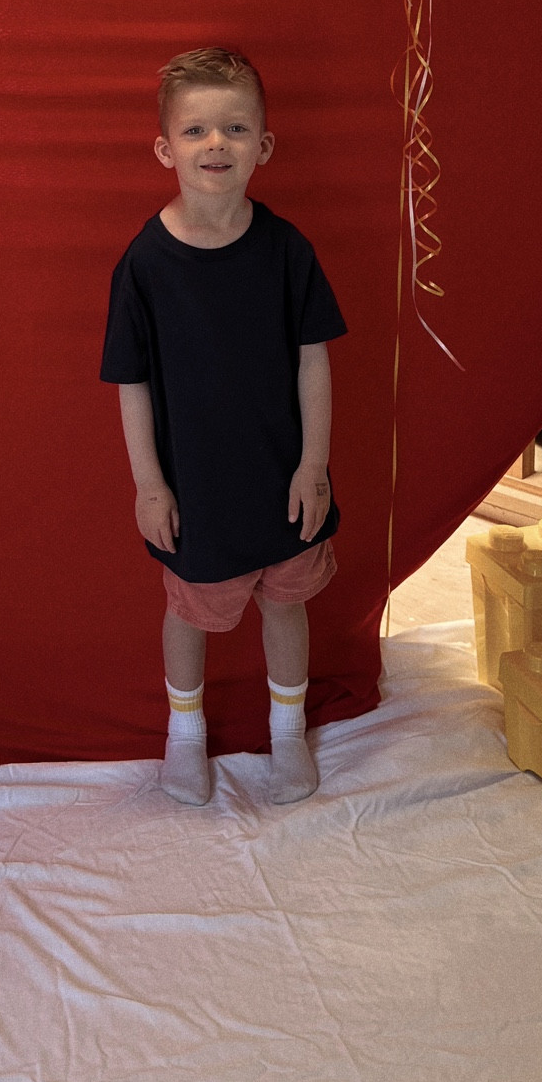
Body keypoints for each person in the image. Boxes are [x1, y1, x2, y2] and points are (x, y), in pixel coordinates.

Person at [100, 47, 343, 806]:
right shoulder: (144, 263)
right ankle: (186, 739)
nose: (217, 144)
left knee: (286, 602)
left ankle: (286, 732)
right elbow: (131, 383)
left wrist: (313, 465)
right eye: (198, 130)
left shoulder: (286, 251)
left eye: (235, 128)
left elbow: (314, 362)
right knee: (189, 613)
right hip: (195, 491)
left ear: (263, 146)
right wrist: (148, 486)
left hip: (283, 482)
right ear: (166, 149)